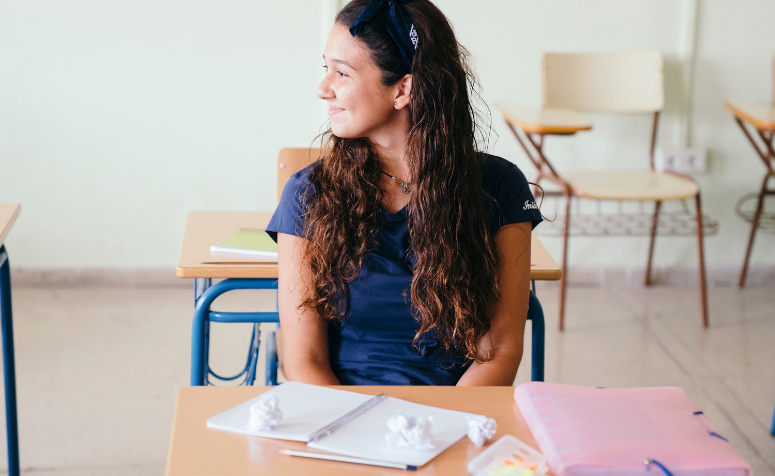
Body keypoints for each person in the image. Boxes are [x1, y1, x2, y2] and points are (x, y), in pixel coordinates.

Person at [266, 0, 542, 386]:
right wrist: (351, 432)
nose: (322, 89)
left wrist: (444, 431)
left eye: (341, 73)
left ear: (403, 89)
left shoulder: (499, 188)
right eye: (325, 69)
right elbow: (304, 360)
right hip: (340, 413)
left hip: (456, 415)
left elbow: (498, 353)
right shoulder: (308, 192)